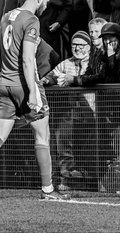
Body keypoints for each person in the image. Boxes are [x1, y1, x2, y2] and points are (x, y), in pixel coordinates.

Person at [0, 0, 69, 201]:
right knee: (42, 135)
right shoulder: (31, 20)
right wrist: (33, 91)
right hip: (23, 84)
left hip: (4, 83)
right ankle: (48, 190)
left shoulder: (6, 17)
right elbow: (27, 59)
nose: (46, 7)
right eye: (47, 2)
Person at [44, 30, 102, 190]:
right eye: (74, 45)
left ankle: (91, 182)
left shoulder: (94, 62)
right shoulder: (66, 63)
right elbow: (52, 75)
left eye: (81, 45)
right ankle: (66, 178)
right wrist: (46, 80)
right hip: (71, 113)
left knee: (90, 149)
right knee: (62, 138)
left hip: (94, 114)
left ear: (89, 46)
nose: (77, 48)